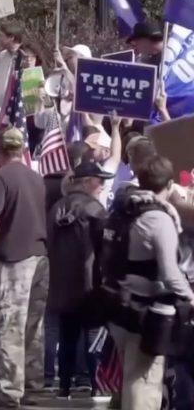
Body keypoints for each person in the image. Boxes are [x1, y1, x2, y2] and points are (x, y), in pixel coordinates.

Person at [104, 156, 194, 410]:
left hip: (119, 300)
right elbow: (169, 271)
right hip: (148, 311)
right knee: (144, 380)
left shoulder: (124, 207)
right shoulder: (159, 219)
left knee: (130, 374)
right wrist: (190, 297)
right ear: (169, 183)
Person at [0, 127, 48, 408]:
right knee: (33, 327)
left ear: (0, 151)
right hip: (40, 257)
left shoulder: (0, 178)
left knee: (7, 327)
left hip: (12, 260)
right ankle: (33, 388)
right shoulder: (36, 178)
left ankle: (9, 392)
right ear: (23, 151)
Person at [46, 162, 112, 402]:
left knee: (67, 338)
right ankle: (97, 385)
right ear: (86, 182)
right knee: (93, 337)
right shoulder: (96, 210)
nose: (103, 185)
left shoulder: (56, 208)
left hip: (61, 287)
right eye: (99, 180)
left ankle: (63, 386)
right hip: (90, 287)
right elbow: (106, 251)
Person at [84, 114, 123, 207]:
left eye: (92, 148)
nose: (87, 150)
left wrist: (115, 127)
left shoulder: (105, 172)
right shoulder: (81, 168)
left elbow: (115, 155)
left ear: (105, 151)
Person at [0, 23, 24, 112]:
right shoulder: (2, 56)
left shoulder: (25, 56)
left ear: (11, 37)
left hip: (17, 110)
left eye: (1, 36)